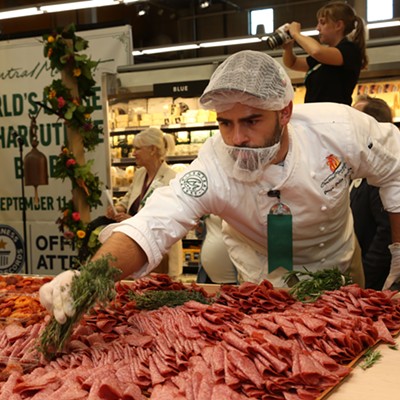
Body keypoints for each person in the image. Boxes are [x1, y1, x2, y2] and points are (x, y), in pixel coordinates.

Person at [40, 50, 400, 325]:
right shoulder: (213, 164)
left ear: (285, 112)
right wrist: (88, 278)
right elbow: (155, 221)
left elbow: (395, 173)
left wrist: (398, 255)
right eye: (225, 123)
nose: (237, 138)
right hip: (263, 276)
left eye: (251, 121)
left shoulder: (342, 130)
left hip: (338, 259)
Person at [78, 127, 183, 277]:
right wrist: (119, 208)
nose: (133, 153)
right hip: (138, 251)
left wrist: (134, 221)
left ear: (152, 149)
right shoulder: (140, 174)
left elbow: (169, 220)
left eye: (137, 148)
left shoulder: (172, 178)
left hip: (162, 255)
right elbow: (128, 199)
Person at [282, 1, 368, 105]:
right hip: (316, 114)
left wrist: (296, 34)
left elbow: (316, 51)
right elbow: (292, 63)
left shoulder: (349, 50)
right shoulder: (323, 57)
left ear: (338, 25)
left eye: (322, 23)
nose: (317, 28)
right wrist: (288, 48)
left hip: (334, 115)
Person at [351, 95, 395, 290]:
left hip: (376, 282)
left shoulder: (382, 175)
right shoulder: (358, 169)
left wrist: (365, 278)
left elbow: (386, 232)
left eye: (354, 119)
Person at [195, 214, 238, 284]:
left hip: (235, 271)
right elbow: (205, 232)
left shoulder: (241, 205)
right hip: (208, 275)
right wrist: (198, 226)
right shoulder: (208, 206)